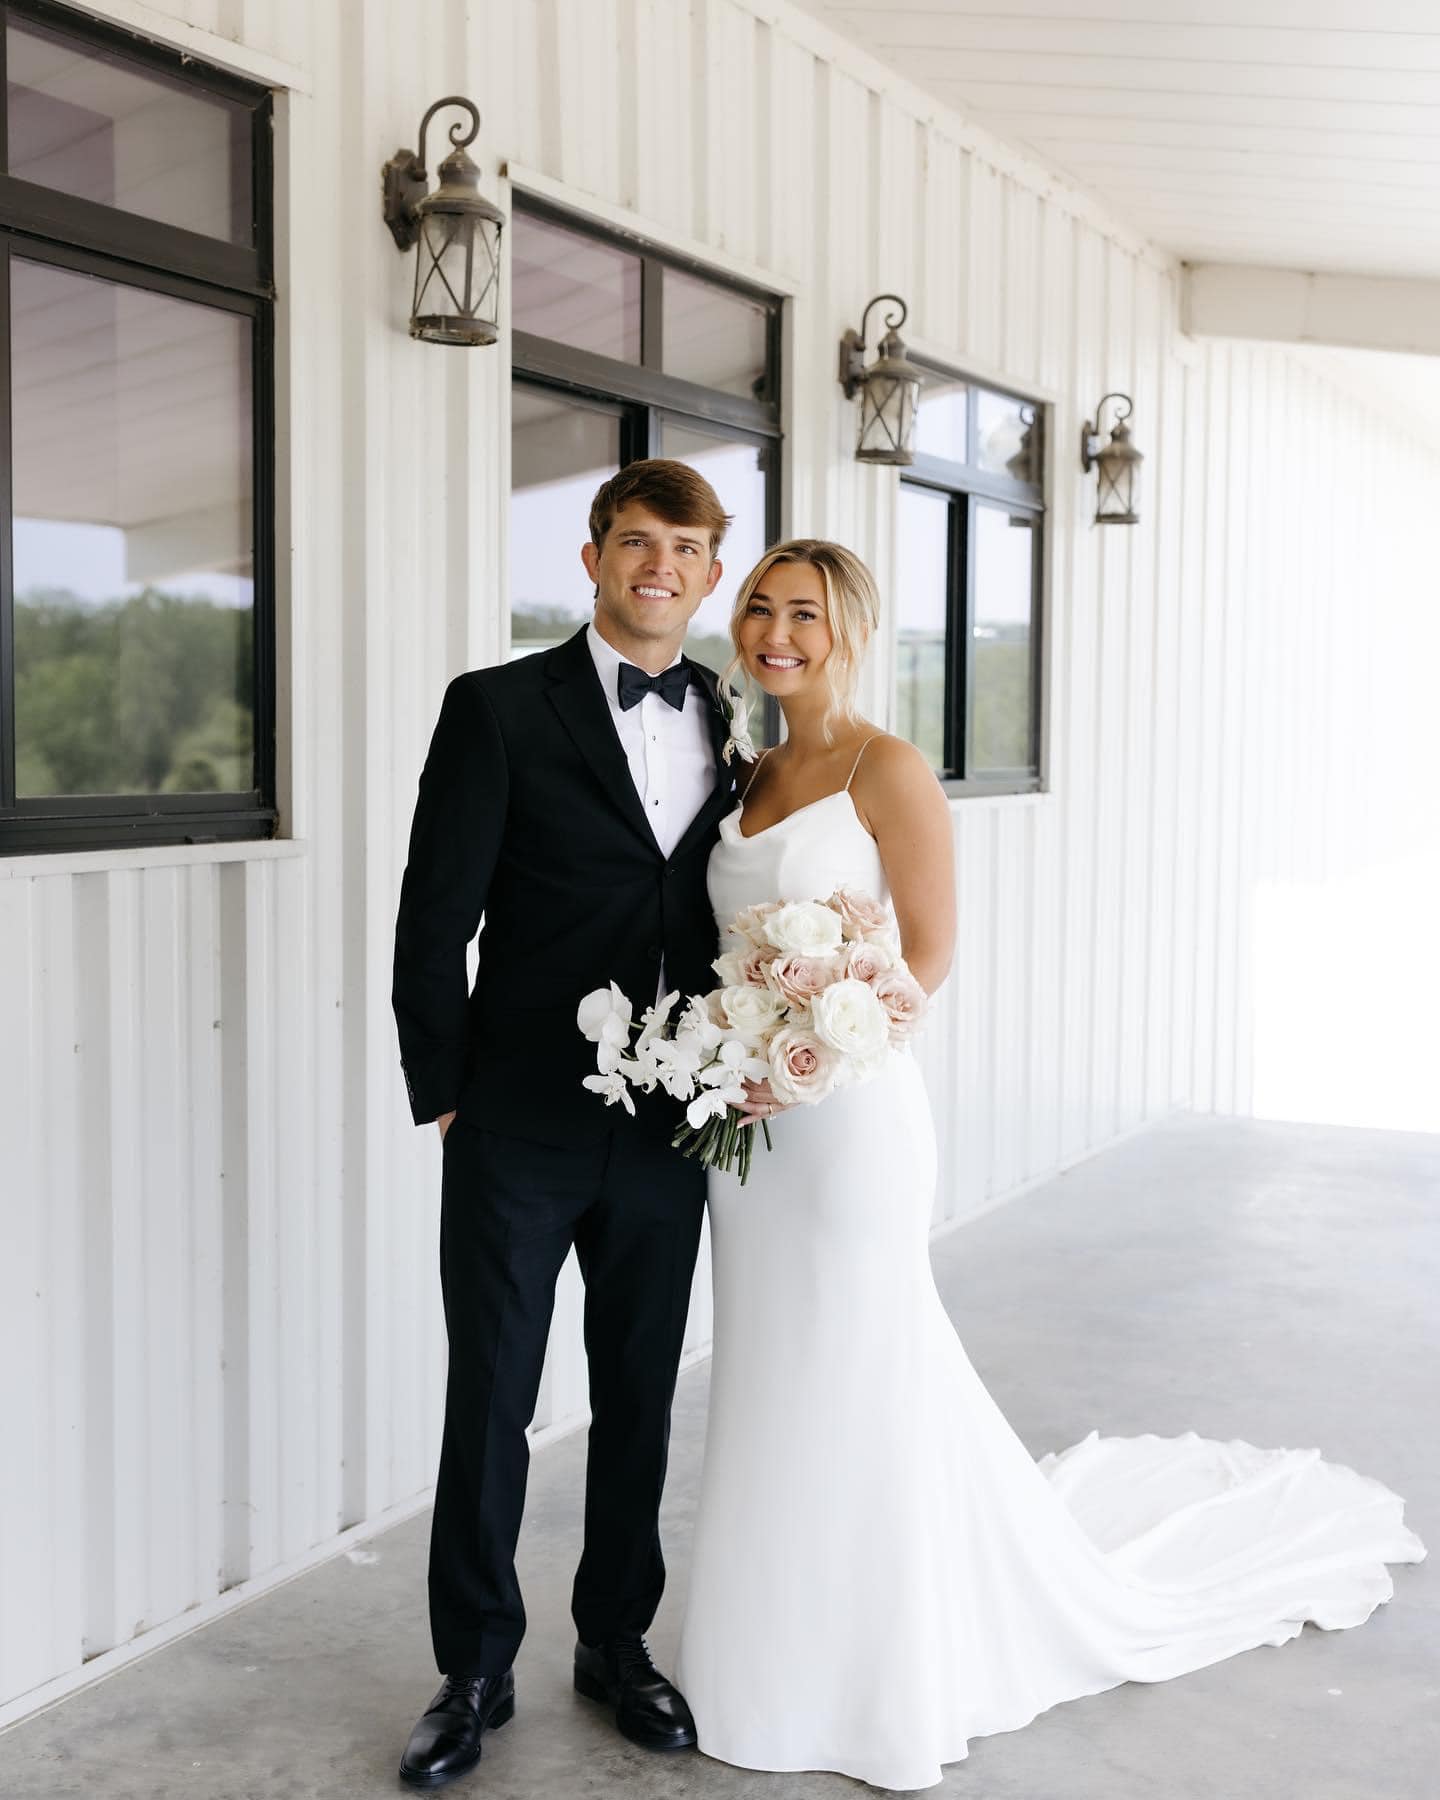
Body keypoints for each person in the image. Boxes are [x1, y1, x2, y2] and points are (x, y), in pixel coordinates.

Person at [674, 538, 1427, 1793]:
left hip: (850, 1121)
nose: (775, 632)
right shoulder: (748, 771)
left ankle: (880, 1671)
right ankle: (768, 1657)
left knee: (861, 1364)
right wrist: (736, 1050)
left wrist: (803, 1035)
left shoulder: (886, 767)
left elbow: (925, 955)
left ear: (850, 629)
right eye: (759, 609)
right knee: (772, 1370)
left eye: (804, 613)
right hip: (749, 1134)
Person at [391, 459, 739, 1788]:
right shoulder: (495, 710)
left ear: (710, 572)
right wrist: (446, 1091)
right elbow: (435, 916)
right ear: (592, 559)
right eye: (637, 541)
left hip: (676, 1121)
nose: (661, 565)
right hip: (516, 1119)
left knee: (644, 1388)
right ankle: (473, 1666)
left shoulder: (733, 711)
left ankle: (616, 1642)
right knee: (494, 1391)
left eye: (687, 547)